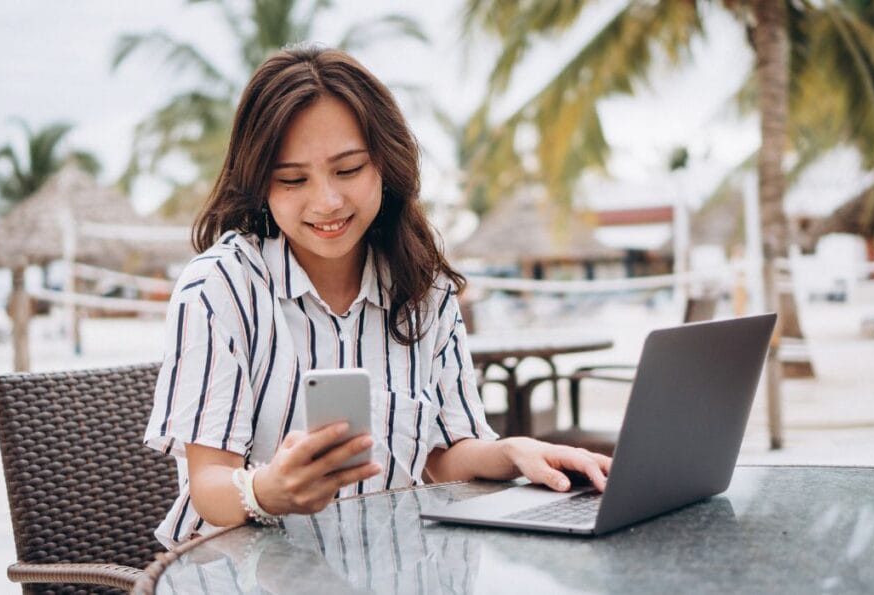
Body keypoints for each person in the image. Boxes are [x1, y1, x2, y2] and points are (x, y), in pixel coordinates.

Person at [144, 44, 611, 548]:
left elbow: (443, 457)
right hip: (237, 572)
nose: (327, 201)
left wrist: (516, 452)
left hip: (386, 566)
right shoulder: (221, 288)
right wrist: (269, 489)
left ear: (384, 166)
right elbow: (208, 486)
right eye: (293, 179)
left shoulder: (422, 287)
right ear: (260, 186)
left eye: (347, 170)